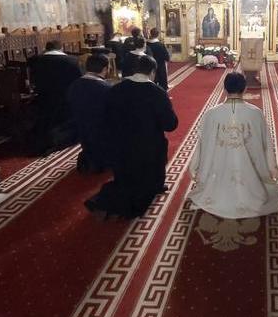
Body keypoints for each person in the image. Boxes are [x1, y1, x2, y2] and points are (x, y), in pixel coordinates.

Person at [87, 55, 178, 218]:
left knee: (126, 175)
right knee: (156, 154)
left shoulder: (115, 89)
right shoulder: (158, 93)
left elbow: (106, 117)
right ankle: (153, 186)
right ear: (152, 72)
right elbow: (170, 125)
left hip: (120, 146)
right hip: (148, 148)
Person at [188, 72, 278, 218]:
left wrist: (195, 166)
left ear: (224, 89)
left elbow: (204, 143)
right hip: (251, 175)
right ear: (245, 89)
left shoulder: (211, 114)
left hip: (219, 171)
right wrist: (271, 167)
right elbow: (266, 143)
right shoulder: (256, 113)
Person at [29, 40, 83, 154]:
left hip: (43, 96)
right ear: (61, 48)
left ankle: (44, 141)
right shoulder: (72, 61)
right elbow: (78, 80)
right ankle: (60, 140)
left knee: (46, 119)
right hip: (65, 97)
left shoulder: (35, 60)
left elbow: (33, 79)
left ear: (46, 48)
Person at [67, 54, 112, 173]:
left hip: (81, 129)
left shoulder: (74, 85)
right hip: (103, 131)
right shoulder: (106, 88)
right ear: (105, 69)